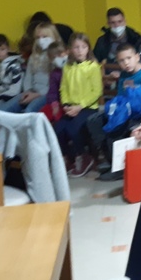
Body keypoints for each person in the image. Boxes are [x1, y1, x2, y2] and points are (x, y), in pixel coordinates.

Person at [87, 43, 141, 180]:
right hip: (124, 110)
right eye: (121, 60)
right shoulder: (124, 75)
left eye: (129, 58)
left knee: (116, 127)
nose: (126, 63)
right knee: (94, 121)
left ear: (137, 57)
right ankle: (111, 161)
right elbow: (120, 97)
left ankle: (120, 169)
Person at [54, 32, 103, 178]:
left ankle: (84, 157)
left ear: (88, 48)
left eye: (83, 47)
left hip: (88, 108)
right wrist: (66, 104)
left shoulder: (93, 66)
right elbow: (63, 88)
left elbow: (97, 91)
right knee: (58, 130)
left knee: (74, 129)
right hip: (71, 107)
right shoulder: (67, 67)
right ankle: (68, 158)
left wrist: (80, 106)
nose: (80, 50)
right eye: (76, 47)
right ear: (70, 49)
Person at [0, 22, 61, 113]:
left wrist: (37, 95)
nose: (41, 40)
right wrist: (27, 91)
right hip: (31, 91)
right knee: (4, 109)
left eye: (45, 37)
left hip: (47, 94)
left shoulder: (58, 57)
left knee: (29, 111)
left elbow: (55, 84)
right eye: (38, 37)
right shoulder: (34, 56)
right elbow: (28, 77)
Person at [93, 8, 141, 83]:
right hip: (108, 80)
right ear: (108, 24)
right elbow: (95, 62)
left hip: (132, 78)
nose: (117, 25)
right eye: (113, 23)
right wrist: (106, 76)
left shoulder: (136, 39)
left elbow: (140, 62)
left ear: (125, 21)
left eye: (120, 21)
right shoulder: (101, 41)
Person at [0, 33, 23, 103]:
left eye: (2, 49)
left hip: (12, 97)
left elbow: (16, 89)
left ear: (8, 49)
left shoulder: (15, 65)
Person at [41, 41, 68, 124]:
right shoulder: (54, 74)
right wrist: (54, 104)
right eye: (54, 57)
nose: (58, 58)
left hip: (69, 103)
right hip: (57, 102)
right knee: (42, 115)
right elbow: (52, 92)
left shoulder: (74, 69)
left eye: (60, 55)